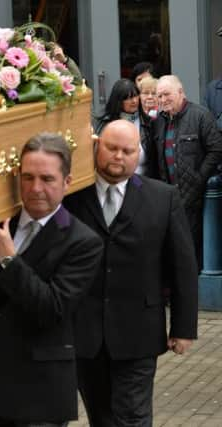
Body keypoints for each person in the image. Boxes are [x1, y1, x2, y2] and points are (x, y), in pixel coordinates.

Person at [0, 133, 103, 426]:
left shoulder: (83, 242)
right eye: (27, 177)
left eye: (47, 179)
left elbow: (52, 309)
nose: (36, 188)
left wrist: (8, 258)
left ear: (67, 182)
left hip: (39, 393)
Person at [64, 119, 198, 427]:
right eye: (112, 148)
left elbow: (183, 266)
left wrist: (184, 327)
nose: (119, 156)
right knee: (101, 416)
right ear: (96, 146)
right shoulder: (71, 196)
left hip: (139, 332)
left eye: (127, 150)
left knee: (133, 417)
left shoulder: (163, 198)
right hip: (85, 332)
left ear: (138, 155)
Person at [153, 74, 222, 267]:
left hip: (194, 199)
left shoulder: (200, 115)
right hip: (169, 199)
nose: (163, 100)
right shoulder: (159, 122)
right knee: (172, 252)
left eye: (167, 94)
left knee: (192, 253)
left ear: (181, 92)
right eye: (159, 96)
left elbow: (216, 149)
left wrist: (199, 178)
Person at [94, 79, 155, 177]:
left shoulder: (149, 123)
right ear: (118, 101)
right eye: (128, 98)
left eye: (135, 95)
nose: (134, 101)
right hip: (114, 180)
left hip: (143, 182)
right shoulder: (105, 125)